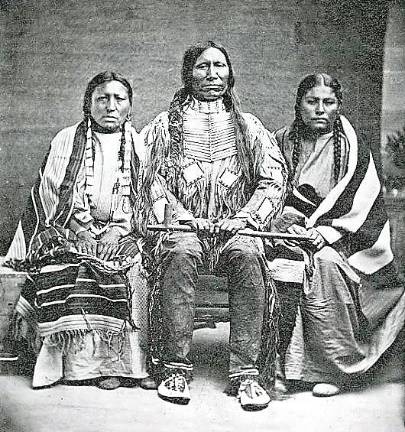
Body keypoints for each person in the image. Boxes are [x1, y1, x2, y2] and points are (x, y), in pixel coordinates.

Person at [139, 41, 287, 410]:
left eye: (219, 66)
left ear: (229, 72)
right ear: (189, 74)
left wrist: (244, 218)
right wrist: (179, 217)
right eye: (202, 67)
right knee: (181, 253)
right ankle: (174, 367)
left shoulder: (249, 126)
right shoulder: (164, 126)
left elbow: (273, 179)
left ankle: (246, 373)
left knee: (249, 256)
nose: (212, 74)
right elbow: (149, 178)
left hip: (234, 229)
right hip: (181, 229)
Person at [5, 71, 155, 390]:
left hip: (123, 232)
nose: (110, 106)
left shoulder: (140, 145)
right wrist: (81, 231)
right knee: (73, 266)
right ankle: (81, 368)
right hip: (69, 229)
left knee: (133, 268)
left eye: (119, 99)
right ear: (89, 104)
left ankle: (123, 366)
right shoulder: (66, 139)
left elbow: (145, 201)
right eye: (102, 98)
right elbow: (51, 194)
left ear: (130, 106)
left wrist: (118, 232)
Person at [268, 73, 405, 397]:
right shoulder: (281, 140)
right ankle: (280, 369)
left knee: (325, 264)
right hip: (288, 232)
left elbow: (361, 205)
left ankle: (331, 369)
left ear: (338, 105)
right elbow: (269, 190)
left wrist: (325, 233)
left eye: (328, 102)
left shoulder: (351, 146)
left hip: (345, 240)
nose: (320, 109)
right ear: (298, 105)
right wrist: (285, 223)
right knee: (282, 264)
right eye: (311, 101)